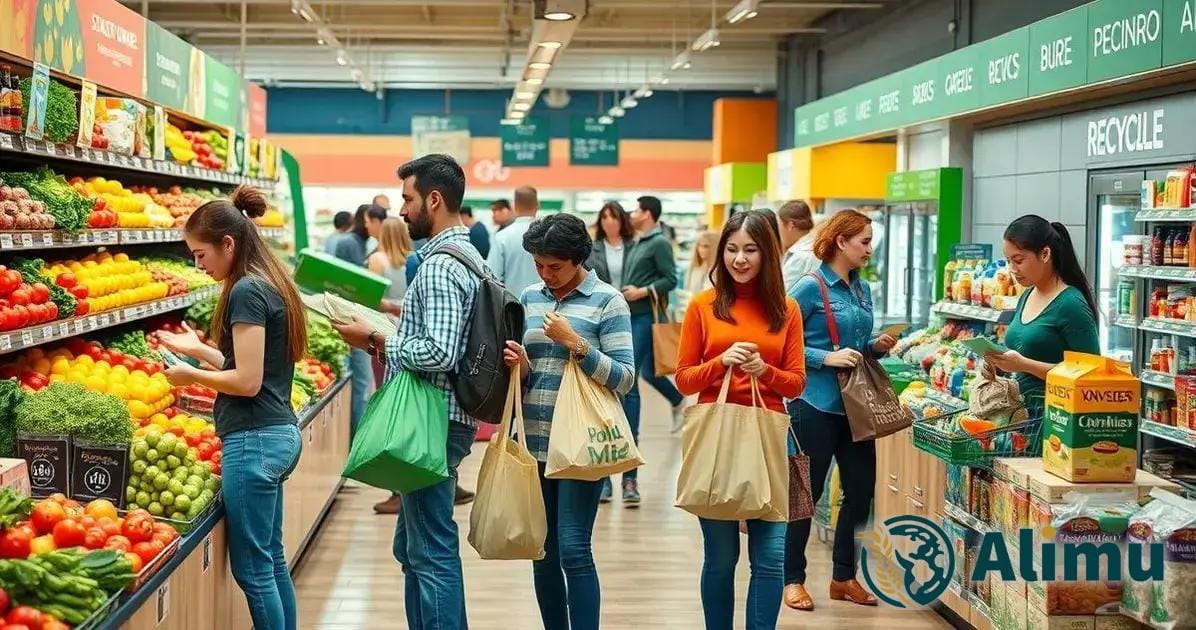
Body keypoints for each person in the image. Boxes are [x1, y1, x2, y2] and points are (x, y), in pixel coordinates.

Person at [332, 154, 483, 630]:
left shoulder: (438, 265)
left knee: (432, 549)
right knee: (413, 546)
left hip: (430, 419)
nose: (402, 209)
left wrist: (374, 339)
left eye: (408, 198)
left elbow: (438, 351)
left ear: (434, 200)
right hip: (446, 414)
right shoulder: (469, 257)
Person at [158, 186, 307, 630]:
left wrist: (191, 377)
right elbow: (245, 363)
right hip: (278, 432)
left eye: (201, 254)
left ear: (228, 244)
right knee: (272, 560)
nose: (197, 265)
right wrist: (199, 351)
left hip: (254, 439)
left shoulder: (245, 291)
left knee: (254, 571)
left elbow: (246, 380)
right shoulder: (269, 280)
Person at [674, 209, 807, 630]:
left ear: (767, 253)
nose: (740, 259)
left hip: (770, 440)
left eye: (750, 249)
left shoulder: (786, 310)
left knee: (769, 560)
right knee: (720, 559)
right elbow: (683, 379)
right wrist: (720, 363)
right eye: (732, 249)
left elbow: (797, 384)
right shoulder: (703, 307)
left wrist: (763, 372)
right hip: (718, 440)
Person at [502, 213, 634, 630]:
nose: (545, 274)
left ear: (578, 258)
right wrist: (520, 365)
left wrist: (575, 343)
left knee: (574, 549)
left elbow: (625, 378)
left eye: (554, 266)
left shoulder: (608, 300)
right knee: (543, 550)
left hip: (581, 443)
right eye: (539, 264)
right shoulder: (529, 296)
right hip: (535, 440)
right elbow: (530, 375)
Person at [785, 209, 896, 611]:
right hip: (813, 405)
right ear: (840, 242)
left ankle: (844, 577)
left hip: (855, 408)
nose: (870, 249)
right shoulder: (809, 288)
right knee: (805, 494)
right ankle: (792, 579)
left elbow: (855, 345)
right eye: (864, 241)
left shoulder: (860, 289)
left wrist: (874, 347)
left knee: (861, 493)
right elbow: (777, 342)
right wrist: (822, 358)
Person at [983, 215, 1098, 400]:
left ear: (1045, 254)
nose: (1012, 269)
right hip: (1023, 416)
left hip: (1057, 417)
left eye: (1018, 260)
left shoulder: (1071, 303)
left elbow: (1090, 374)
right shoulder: (1027, 295)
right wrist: (1000, 361)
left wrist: (1025, 365)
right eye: (1008, 261)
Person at [619, 194, 685, 503]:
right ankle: (677, 400)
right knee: (648, 372)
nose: (632, 213)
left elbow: (670, 279)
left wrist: (642, 291)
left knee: (631, 380)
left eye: (636, 209)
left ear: (647, 213)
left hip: (645, 317)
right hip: (632, 316)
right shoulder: (639, 241)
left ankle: (629, 469)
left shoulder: (658, 243)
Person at [332, 203, 386, 439]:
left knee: (363, 382)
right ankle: (358, 436)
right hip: (352, 319)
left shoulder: (366, 245)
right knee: (361, 381)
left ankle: (357, 434)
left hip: (361, 319)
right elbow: (354, 285)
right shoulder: (349, 244)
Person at [488, 186, 541, 297]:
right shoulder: (547, 234)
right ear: (537, 205)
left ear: (514, 206)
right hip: (544, 306)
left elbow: (493, 276)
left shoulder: (502, 237)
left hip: (512, 305)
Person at [369, 217, 415, 317]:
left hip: (385, 318)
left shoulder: (377, 259)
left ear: (383, 234)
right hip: (409, 316)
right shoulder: (414, 258)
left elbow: (373, 297)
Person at [586, 201, 634, 289]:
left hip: (632, 300)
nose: (609, 221)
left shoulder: (635, 247)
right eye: (604, 217)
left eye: (613, 217)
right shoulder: (591, 249)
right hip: (603, 300)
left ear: (622, 220)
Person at [778, 200, 817, 294]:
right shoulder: (813, 247)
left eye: (779, 225)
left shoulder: (801, 255)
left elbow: (781, 293)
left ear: (790, 226)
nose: (779, 232)